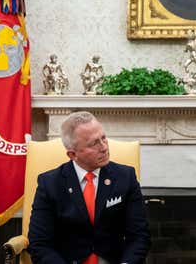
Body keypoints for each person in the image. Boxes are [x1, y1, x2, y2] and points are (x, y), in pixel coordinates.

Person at [28, 111, 150, 264]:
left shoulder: (126, 177)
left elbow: (139, 236)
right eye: (94, 143)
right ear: (72, 154)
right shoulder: (50, 183)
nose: (104, 147)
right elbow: (39, 243)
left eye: (103, 138)